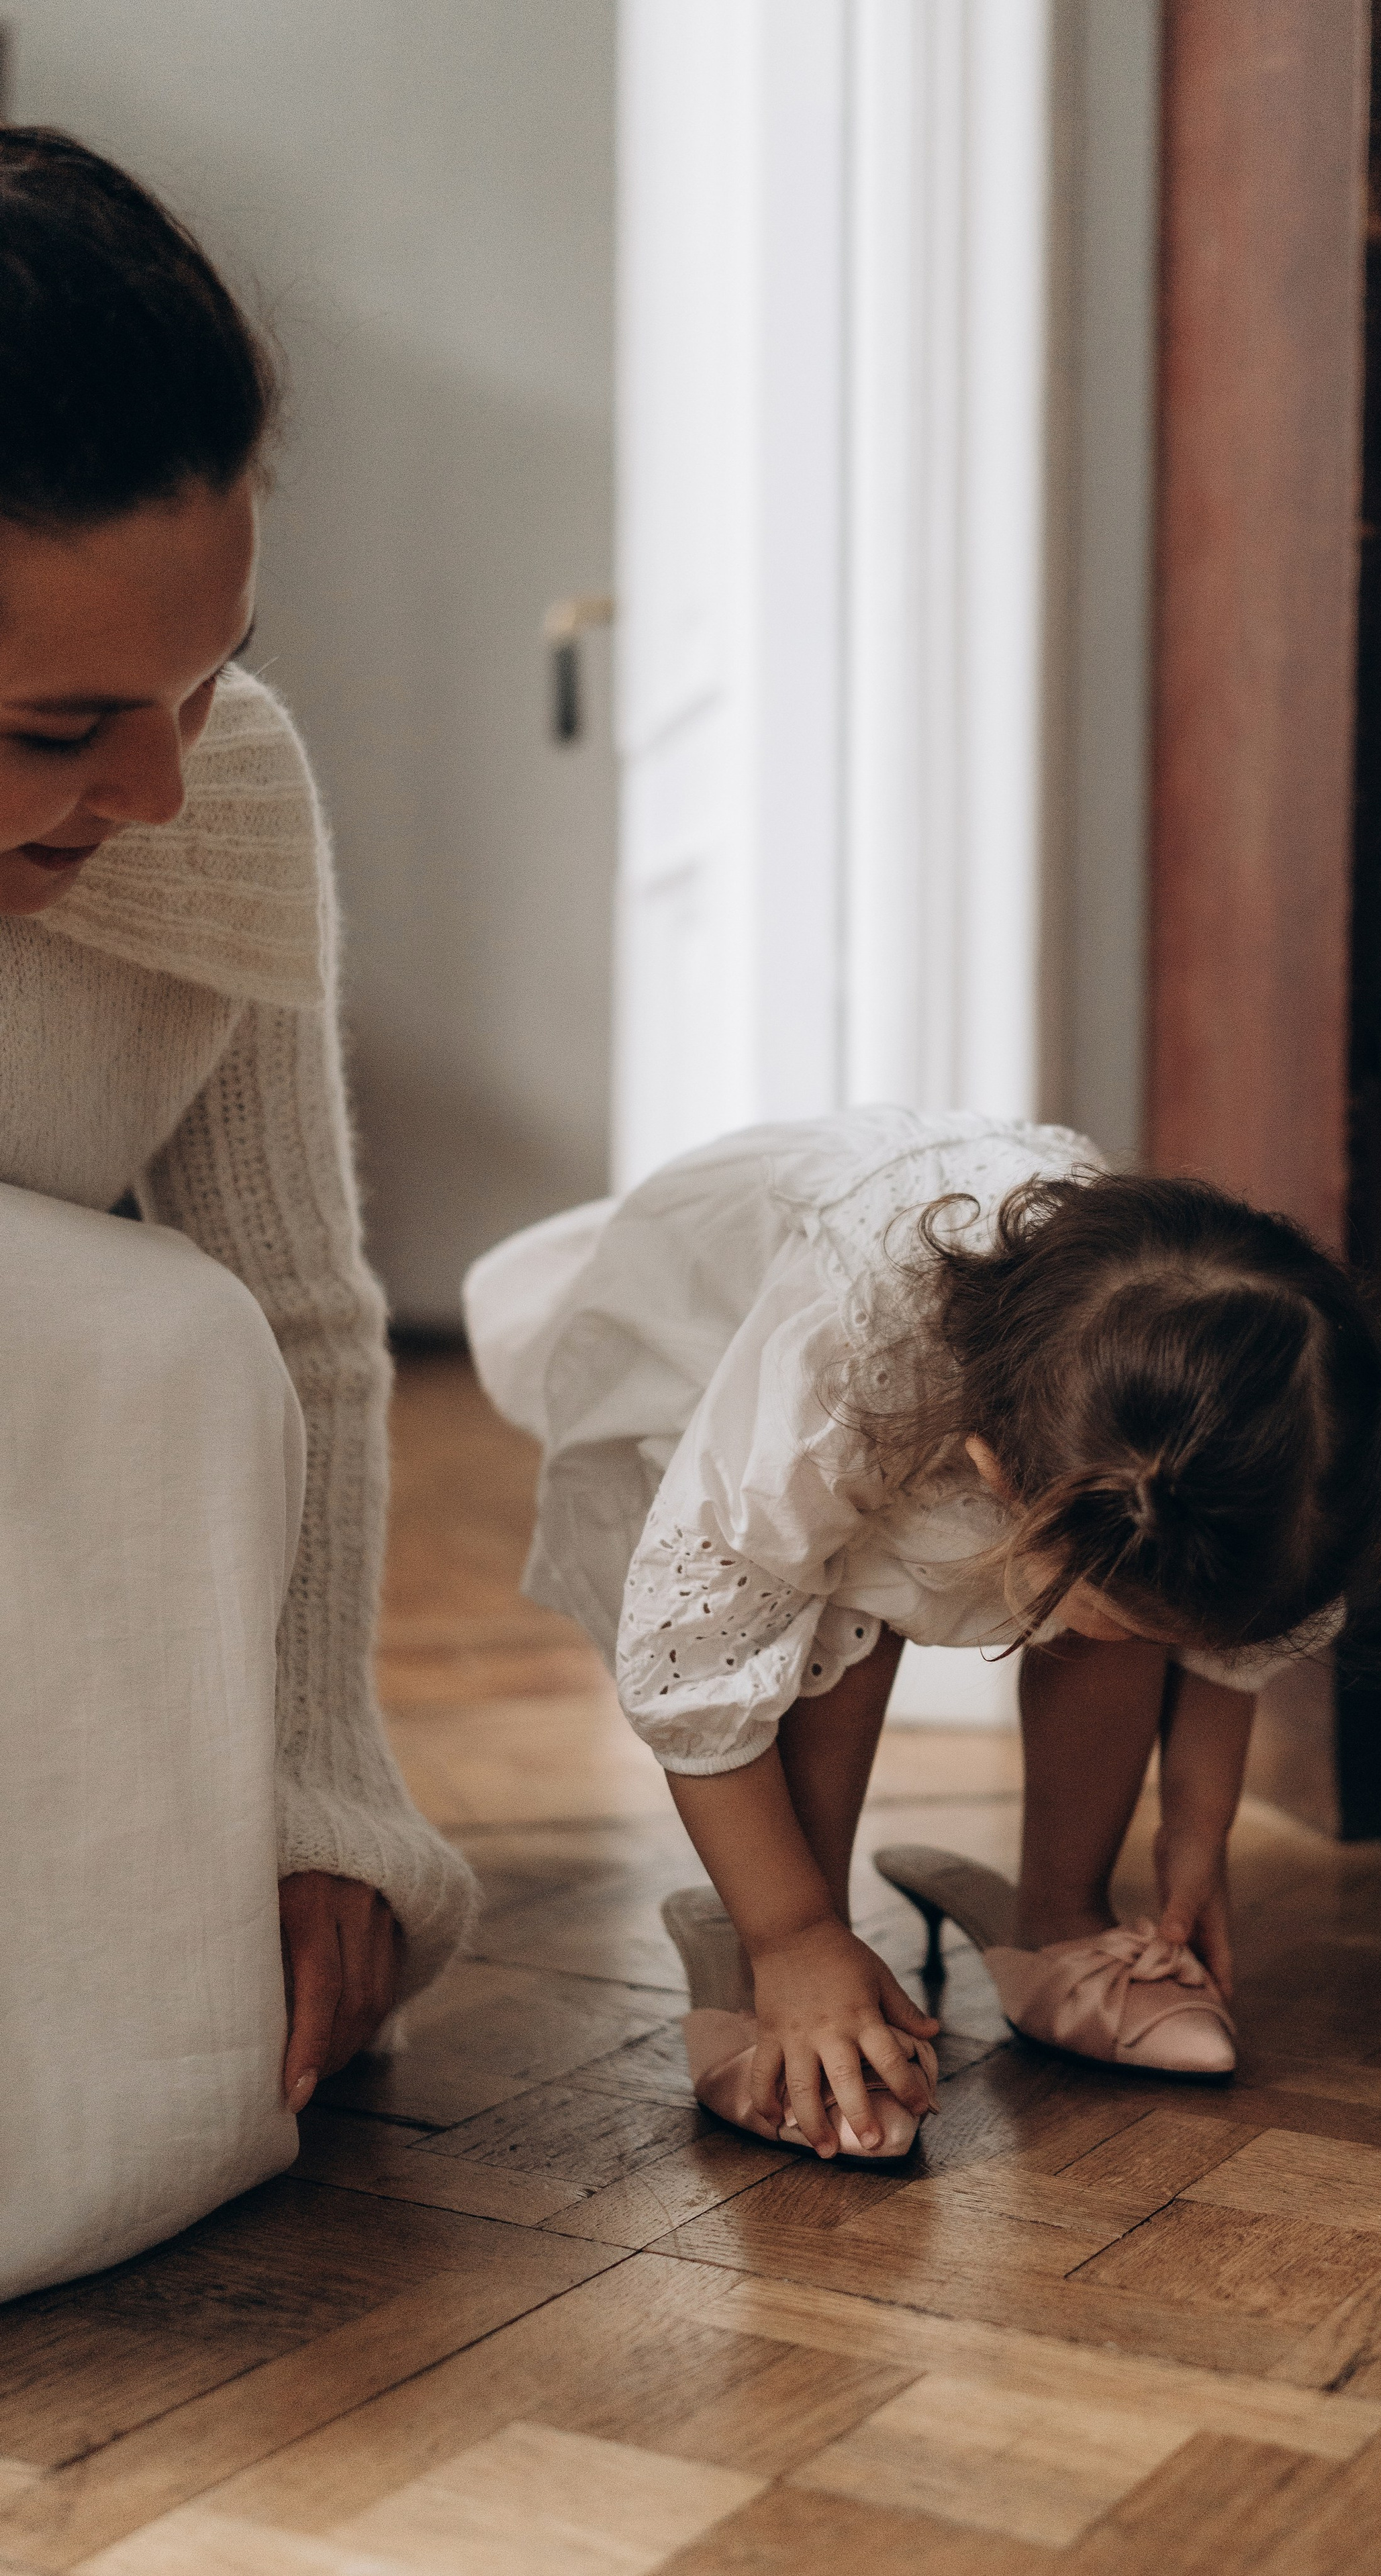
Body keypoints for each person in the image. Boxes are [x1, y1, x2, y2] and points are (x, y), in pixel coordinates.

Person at [466, 1105, 1381, 2163]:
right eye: (1124, 1618)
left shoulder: (1231, 1416)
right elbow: (704, 1648)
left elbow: (1226, 1640)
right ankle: (775, 1950)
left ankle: (1062, 1913)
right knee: (834, 1591)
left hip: (994, 1386)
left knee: (1125, 1592)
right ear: (1000, 1474)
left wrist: (1197, 1830)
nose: (1137, 1642)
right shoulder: (847, 1364)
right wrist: (793, 1937)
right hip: (713, 1320)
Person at [0, 130, 475, 2298]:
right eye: (63, 724)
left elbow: (294, 1311)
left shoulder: (223, 787)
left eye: (208, 674)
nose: (168, 783)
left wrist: (322, 1798)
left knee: (158, 1323)